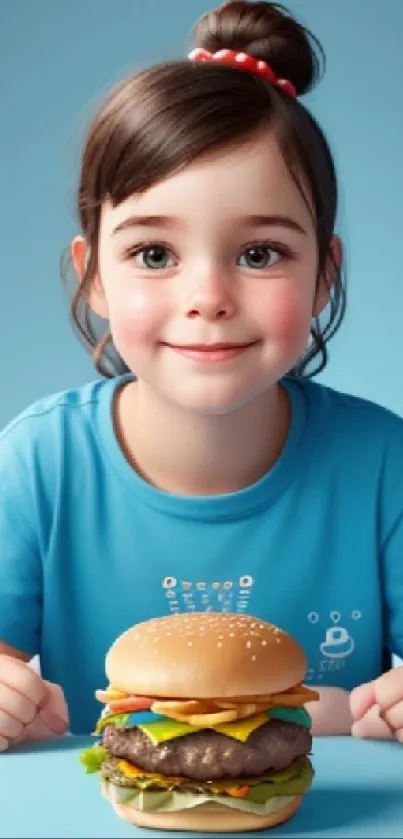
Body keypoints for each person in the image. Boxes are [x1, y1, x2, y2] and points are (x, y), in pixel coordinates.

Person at [0, 0, 402, 754]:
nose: (207, 296)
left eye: (259, 253)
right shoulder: (36, 463)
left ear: (323, 276)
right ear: (93, 278)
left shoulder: (383, 462)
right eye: (154, 253)